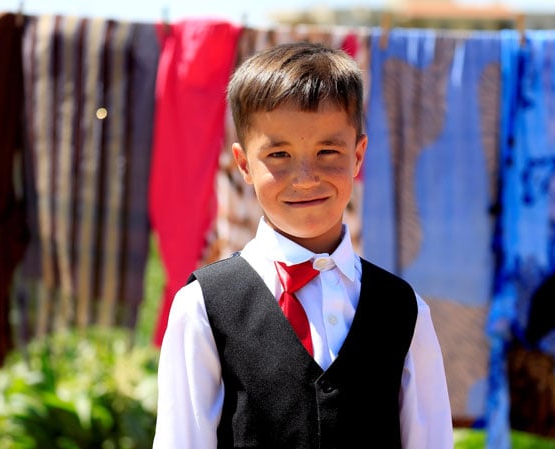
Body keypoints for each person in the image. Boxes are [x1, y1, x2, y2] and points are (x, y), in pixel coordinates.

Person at [152, 41, 454, 449]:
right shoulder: (203, 306)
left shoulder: (405, 309)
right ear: (243, 164)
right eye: (278, 154)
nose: (306, 177)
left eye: (328, 151)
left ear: (358, 156)